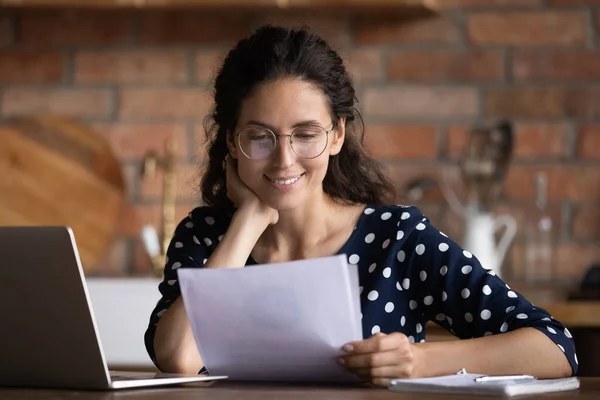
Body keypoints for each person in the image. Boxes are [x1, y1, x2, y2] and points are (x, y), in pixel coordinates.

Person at [144, 25, 577, 386]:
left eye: (306, 134)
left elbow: (553, 347)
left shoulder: (396, 239)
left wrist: (417, 361)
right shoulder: (205, 236)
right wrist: (248, 223)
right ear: (231, 142)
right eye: (260, 136)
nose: (284, 159)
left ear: (336, 135)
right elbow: (179, 357)